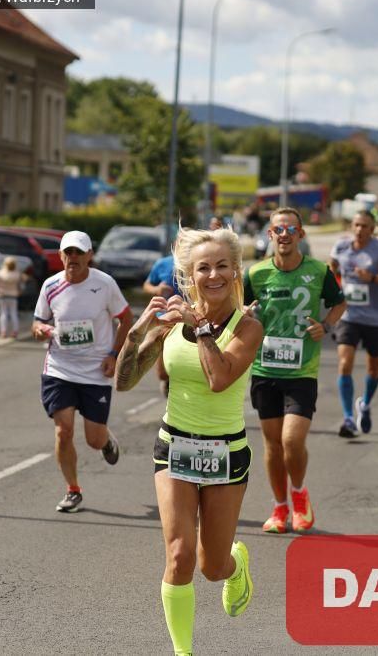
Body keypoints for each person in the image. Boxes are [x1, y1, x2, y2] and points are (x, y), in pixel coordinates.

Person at [115, 226, 262, 656]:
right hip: (174, 447)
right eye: (203, 268)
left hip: (225, 452)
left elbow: (219, 379)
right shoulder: (173, 323)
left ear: (235, 272)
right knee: (179, 557)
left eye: (222, 266)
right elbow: (124, 381)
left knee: (211, 566)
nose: (213, 275)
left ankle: (235, 564)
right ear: (189, 275)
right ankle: (183, 652)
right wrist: (138, 332)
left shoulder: (247, 327)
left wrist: (198, 328)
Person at [243, 208, 346, 534]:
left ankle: (299, 494)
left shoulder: (319, 271)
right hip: (265, 368)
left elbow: (339, 303)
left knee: (291, 440)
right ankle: (279, 507)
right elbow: (237, 311)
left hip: (302, 370)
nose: (284, 235)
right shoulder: (255, 273)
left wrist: (326, 326)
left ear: (301, 234)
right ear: (270, 234)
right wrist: (245, 314)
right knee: (272, 445)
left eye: (290, 229)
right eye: (278, 229)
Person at [32, 231, 133, 512]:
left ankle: (106, 440)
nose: (73, 258)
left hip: (95, 371)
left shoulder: (104, 284)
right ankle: (73, 490)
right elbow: (37, 322)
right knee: (63, 431)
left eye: (79, 252)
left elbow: (126, 319)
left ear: (90, 256)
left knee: (93, 439)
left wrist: (114, 355)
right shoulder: (51, 286)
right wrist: (41, 330)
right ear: (61, 255)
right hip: (59, 369)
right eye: (68, 252)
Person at [329, 211, 378, 437]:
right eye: (357, 225)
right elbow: (332, 267)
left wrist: (372, 278)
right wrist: (336, 286)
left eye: (365, 226)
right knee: (345, 363)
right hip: (349, 317)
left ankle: (365, 403)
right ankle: (348, 418)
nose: (360, 229)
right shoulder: (341, 247)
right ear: (352, 226)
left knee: (374, 368)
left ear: (372, 229)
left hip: (375, 319)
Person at [144, 253, 180, 397]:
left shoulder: (198, 261)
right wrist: (157, 290)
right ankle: (167, 381)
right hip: (164, 319)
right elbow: (146, 285)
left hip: (190, 319)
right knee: (162, 374)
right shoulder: (163, 263)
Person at [0, 256, 28, 338]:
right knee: (14, 314)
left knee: (3, 314)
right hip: (13, 296)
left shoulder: (1, 273)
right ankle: (15, 331)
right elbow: (24, 279)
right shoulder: (17, 274)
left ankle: (3, 332)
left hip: (2, 296)